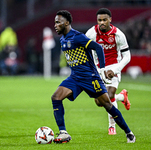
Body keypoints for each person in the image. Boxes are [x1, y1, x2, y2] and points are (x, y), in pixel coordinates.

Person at [52, 10, 136, 144]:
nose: (55, 25)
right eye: (55, 22)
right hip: (75, 77)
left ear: (66, 22)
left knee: (107, 104)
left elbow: (98, 48)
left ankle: (128, 132)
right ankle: (63, 133)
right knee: (56, 97)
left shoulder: (77, 36)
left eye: (58, 22)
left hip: (90, 77)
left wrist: (102, 69)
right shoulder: (63, 39)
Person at [86, 8, 131, 135]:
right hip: (98, 69)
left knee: (109, 96)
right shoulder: (91, 33)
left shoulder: (118, 35)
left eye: (104, 20)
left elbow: (127, 56)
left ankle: (112, 126)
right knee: (99, 102)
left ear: (110, 20)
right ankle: (122, 97)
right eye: (99, 20)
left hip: (113, 68)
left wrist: (116, 69)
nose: (102, 23)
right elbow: (85, 51)